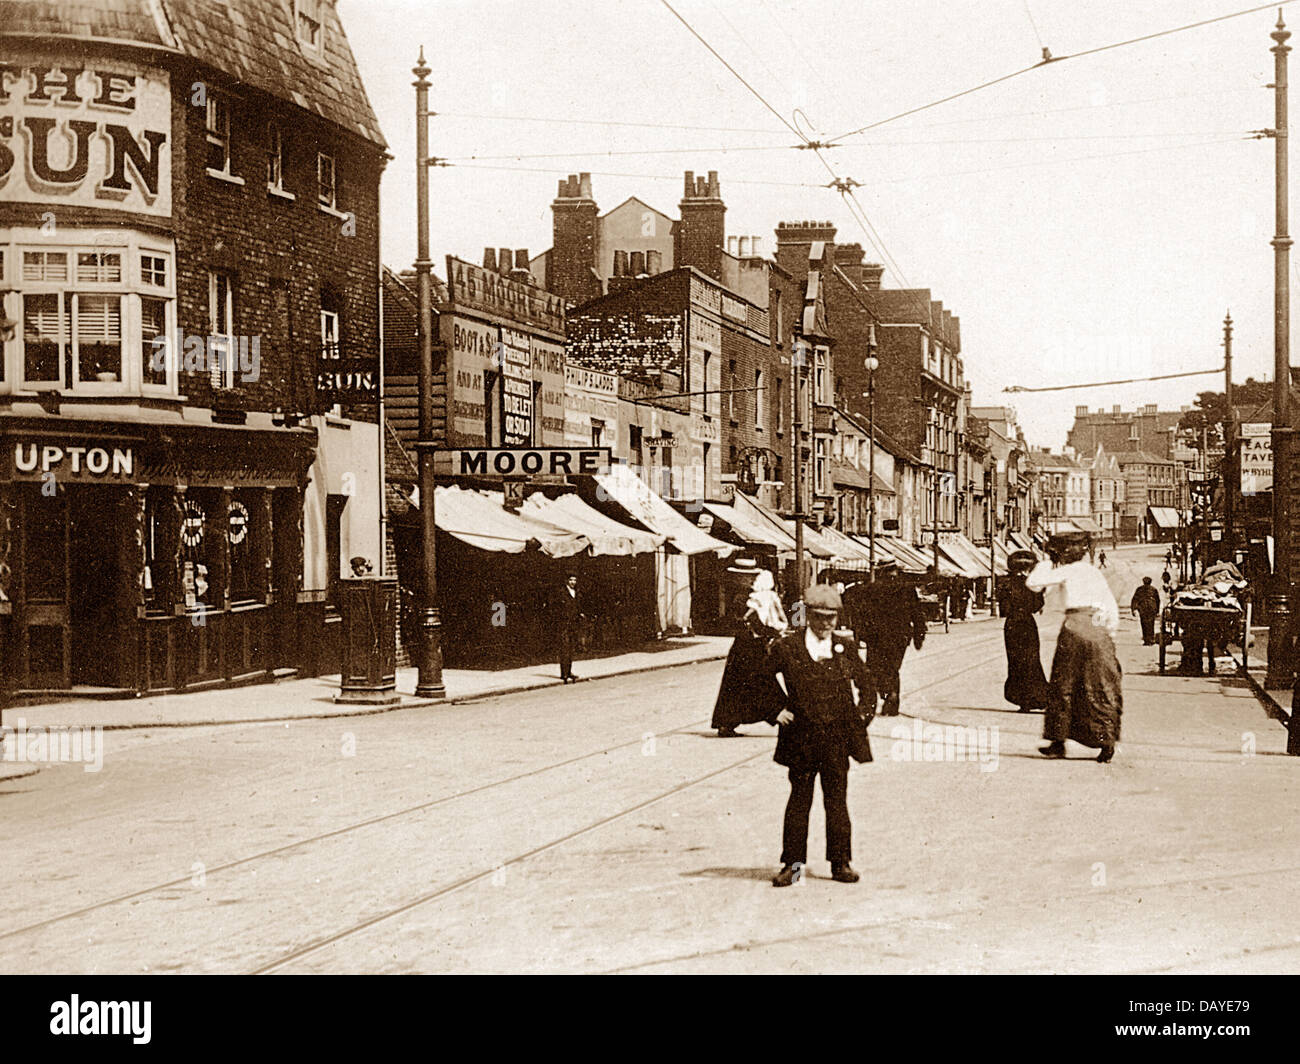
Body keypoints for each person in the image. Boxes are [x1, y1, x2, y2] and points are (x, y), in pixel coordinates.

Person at [765, 584, 874, 888]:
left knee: (837, 801)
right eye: (820, 617)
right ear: (808, 616)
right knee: (799, 801)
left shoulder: (844, 647)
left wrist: (861, 719)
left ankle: (840, 863)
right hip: (801, 739)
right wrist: (776, 710)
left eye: (832, 618)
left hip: (837, 739)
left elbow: (867, 683)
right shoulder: (788, 647)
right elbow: (757, 677)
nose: (826, 624)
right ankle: (793, 866)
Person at [1026, 532, 1123, 764]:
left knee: (1063, 684)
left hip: (1074, 625)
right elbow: (1110, 607)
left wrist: (1047, 561)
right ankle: (1106, 742)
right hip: (1098, 627)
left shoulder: (1066, 571)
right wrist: (1109, 635)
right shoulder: (1095, 573)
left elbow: (1033, 583)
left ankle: (1058, 742)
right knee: (1101, 685)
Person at [711, 569, 788, 737]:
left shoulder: (744, 595)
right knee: (763, 681)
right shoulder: (766, 597)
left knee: (735, 684)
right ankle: (784, 716)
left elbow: (744, 619)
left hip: (741, 645)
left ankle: (726, 723)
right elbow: (764, 620)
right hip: (753, 647)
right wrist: (774, 633)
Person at [845, 560, 926, 717]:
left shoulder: (871, 589)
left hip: (876, 637)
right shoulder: (907, 589)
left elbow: (861, 614)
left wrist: (859, 635)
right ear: (895, 570)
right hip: (900, 637)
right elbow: (917, 614)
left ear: (881, 571)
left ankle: (882, 697)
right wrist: (919, 636)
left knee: (875, 668)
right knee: (893, 668)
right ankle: (892, 699)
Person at [996, 551, 1050, 713]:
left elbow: (1003, 610)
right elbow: (1037, 606)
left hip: (1012, 625)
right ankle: (1039, 697)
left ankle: (1022, 700)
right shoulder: (1031, 585)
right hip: (1027, 624)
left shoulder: (1005, 584)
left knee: (1015, 662)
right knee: (1032, 660)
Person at [555, 574, 584, 683]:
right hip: (563, 624)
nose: (573, 582)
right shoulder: (561, 592)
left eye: (574, 580)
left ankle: (569, 671)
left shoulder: (576, 592)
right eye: (571, 580)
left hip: (573, 624)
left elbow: (577, 607)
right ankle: (564, 673)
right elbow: (556, 608)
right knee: (564, 648)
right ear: (566, 581)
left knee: (571, 648)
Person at [1130, 576, 1162, 646]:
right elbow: (1158, 600)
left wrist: (1133, 609)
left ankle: (1146, 640)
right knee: (1150, 624)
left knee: (1144, 624)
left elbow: (1134, 599)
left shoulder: (1139, 589)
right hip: (1151, 608)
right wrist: (1157, 611)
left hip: (1143, 608)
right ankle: (1150, 639)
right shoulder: (1153, 589)